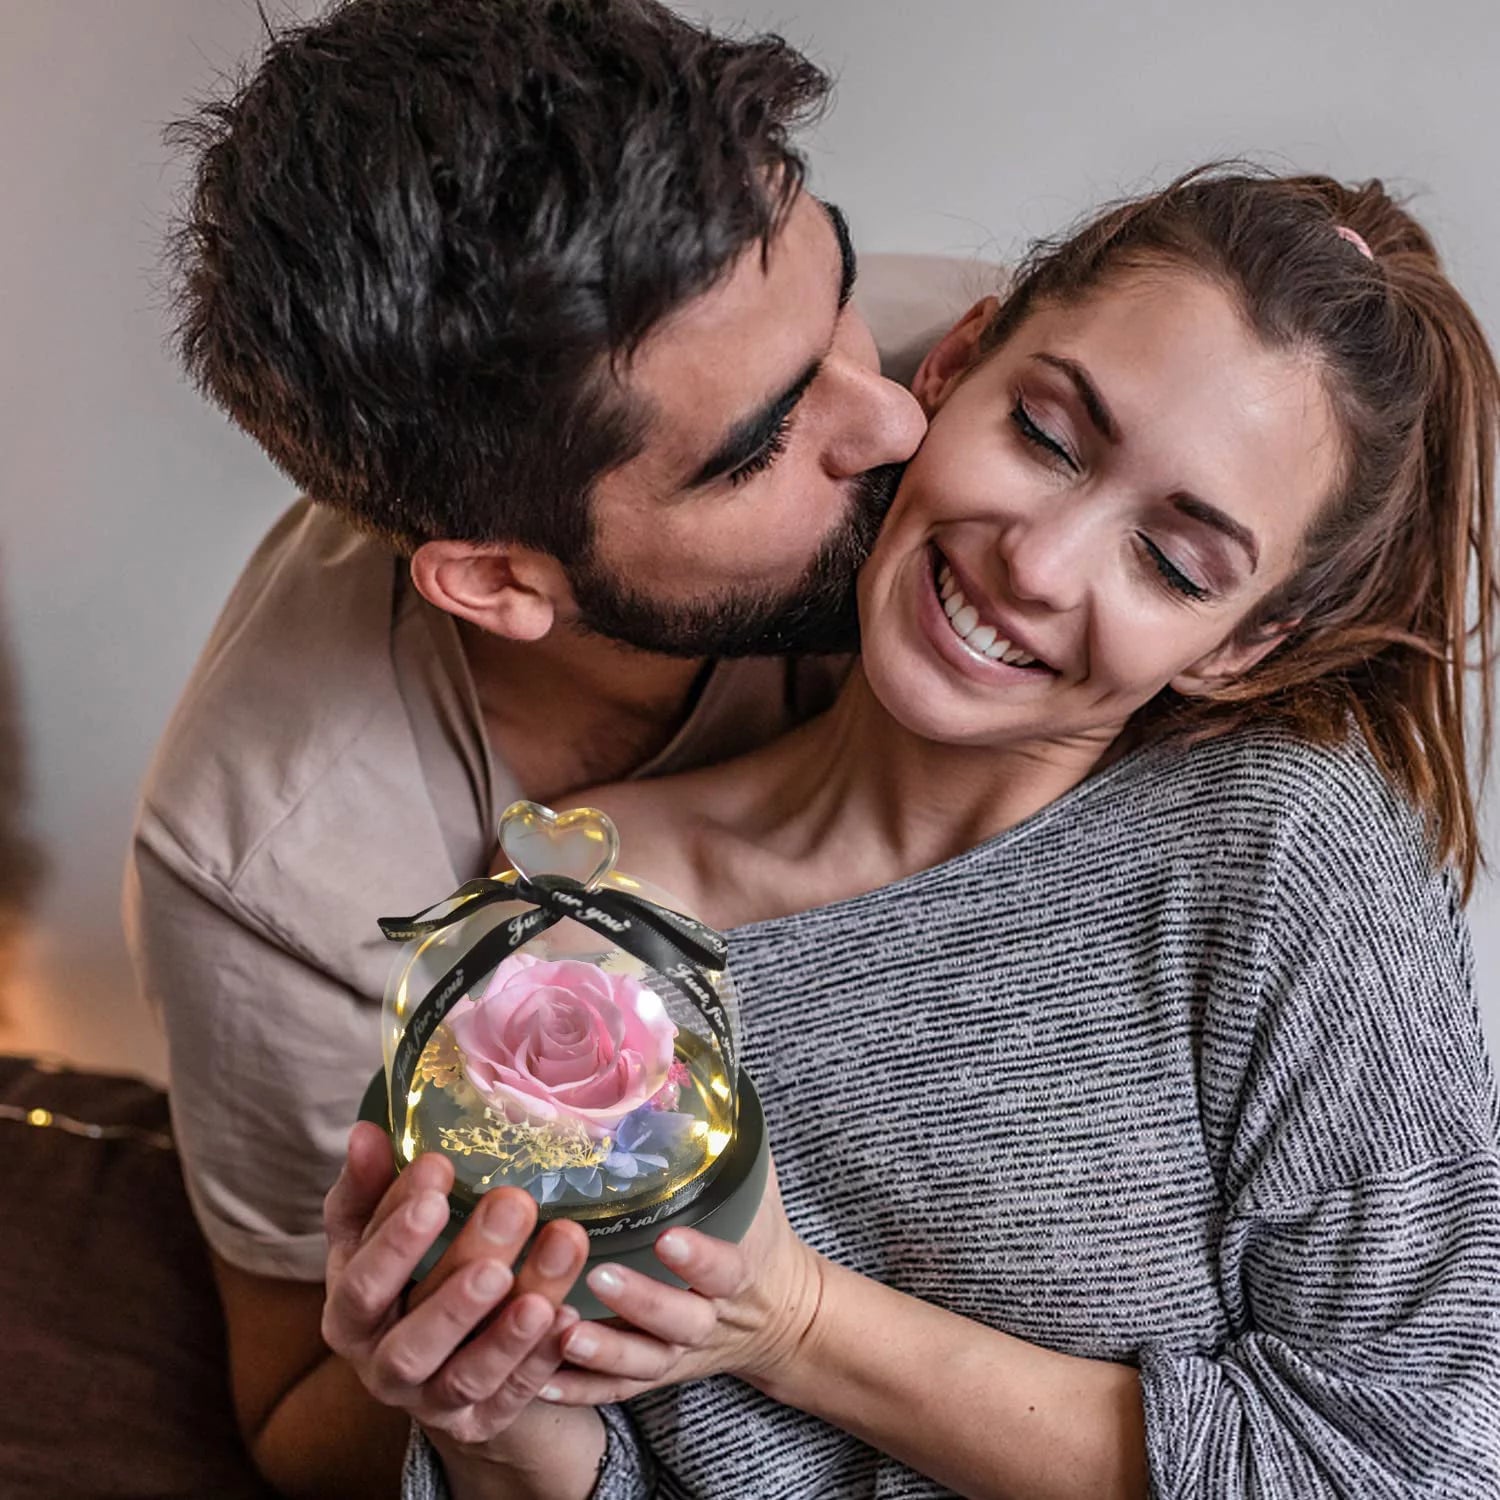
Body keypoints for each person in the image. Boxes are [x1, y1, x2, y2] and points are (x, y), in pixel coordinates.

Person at [334, 168, 1500, 1499]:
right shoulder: (576, 905)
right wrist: (490, 1421)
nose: (1041, 561)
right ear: (953, 367)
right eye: (1048, 436)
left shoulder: (1282, 858)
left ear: (1241, 647)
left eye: (1173, 563)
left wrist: (798, 1322)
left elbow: (1419, 1466)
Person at [124, 0, 926, 1493]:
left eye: (849, 296)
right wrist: (435, 1370)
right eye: (762, 447)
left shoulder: (936, 375)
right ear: (499, 581)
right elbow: (296, 1417)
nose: (893, 422)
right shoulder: (269, 870)